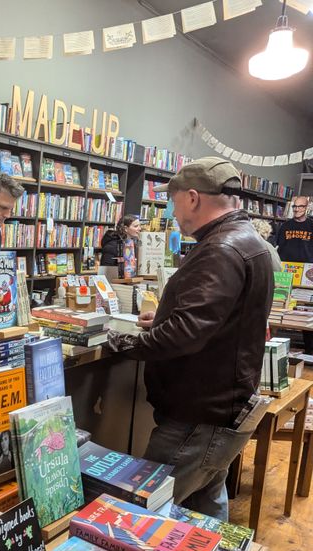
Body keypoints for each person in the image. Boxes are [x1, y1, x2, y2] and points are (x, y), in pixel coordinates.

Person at [106, 157, 273, 521]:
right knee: (205, 512)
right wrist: (164, 317)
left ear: (193, 198)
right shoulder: (248, 241)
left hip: (198, 417)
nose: (173, 211)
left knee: (140, 512)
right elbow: (222, 318)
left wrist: (126, 343)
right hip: (220, 412)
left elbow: (187, 333)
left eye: (174, 201)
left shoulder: (220, 249)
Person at [275, 196, 313, 352]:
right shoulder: (285, 226)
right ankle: (278, 348)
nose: (297, 209)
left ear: (307, 207)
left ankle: (310, 349)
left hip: (307, 276)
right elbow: (277, 246)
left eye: (300, 207)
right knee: (281, 310)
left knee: (307, 312)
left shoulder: (312, 225)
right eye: (295, 207)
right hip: (286, 274)